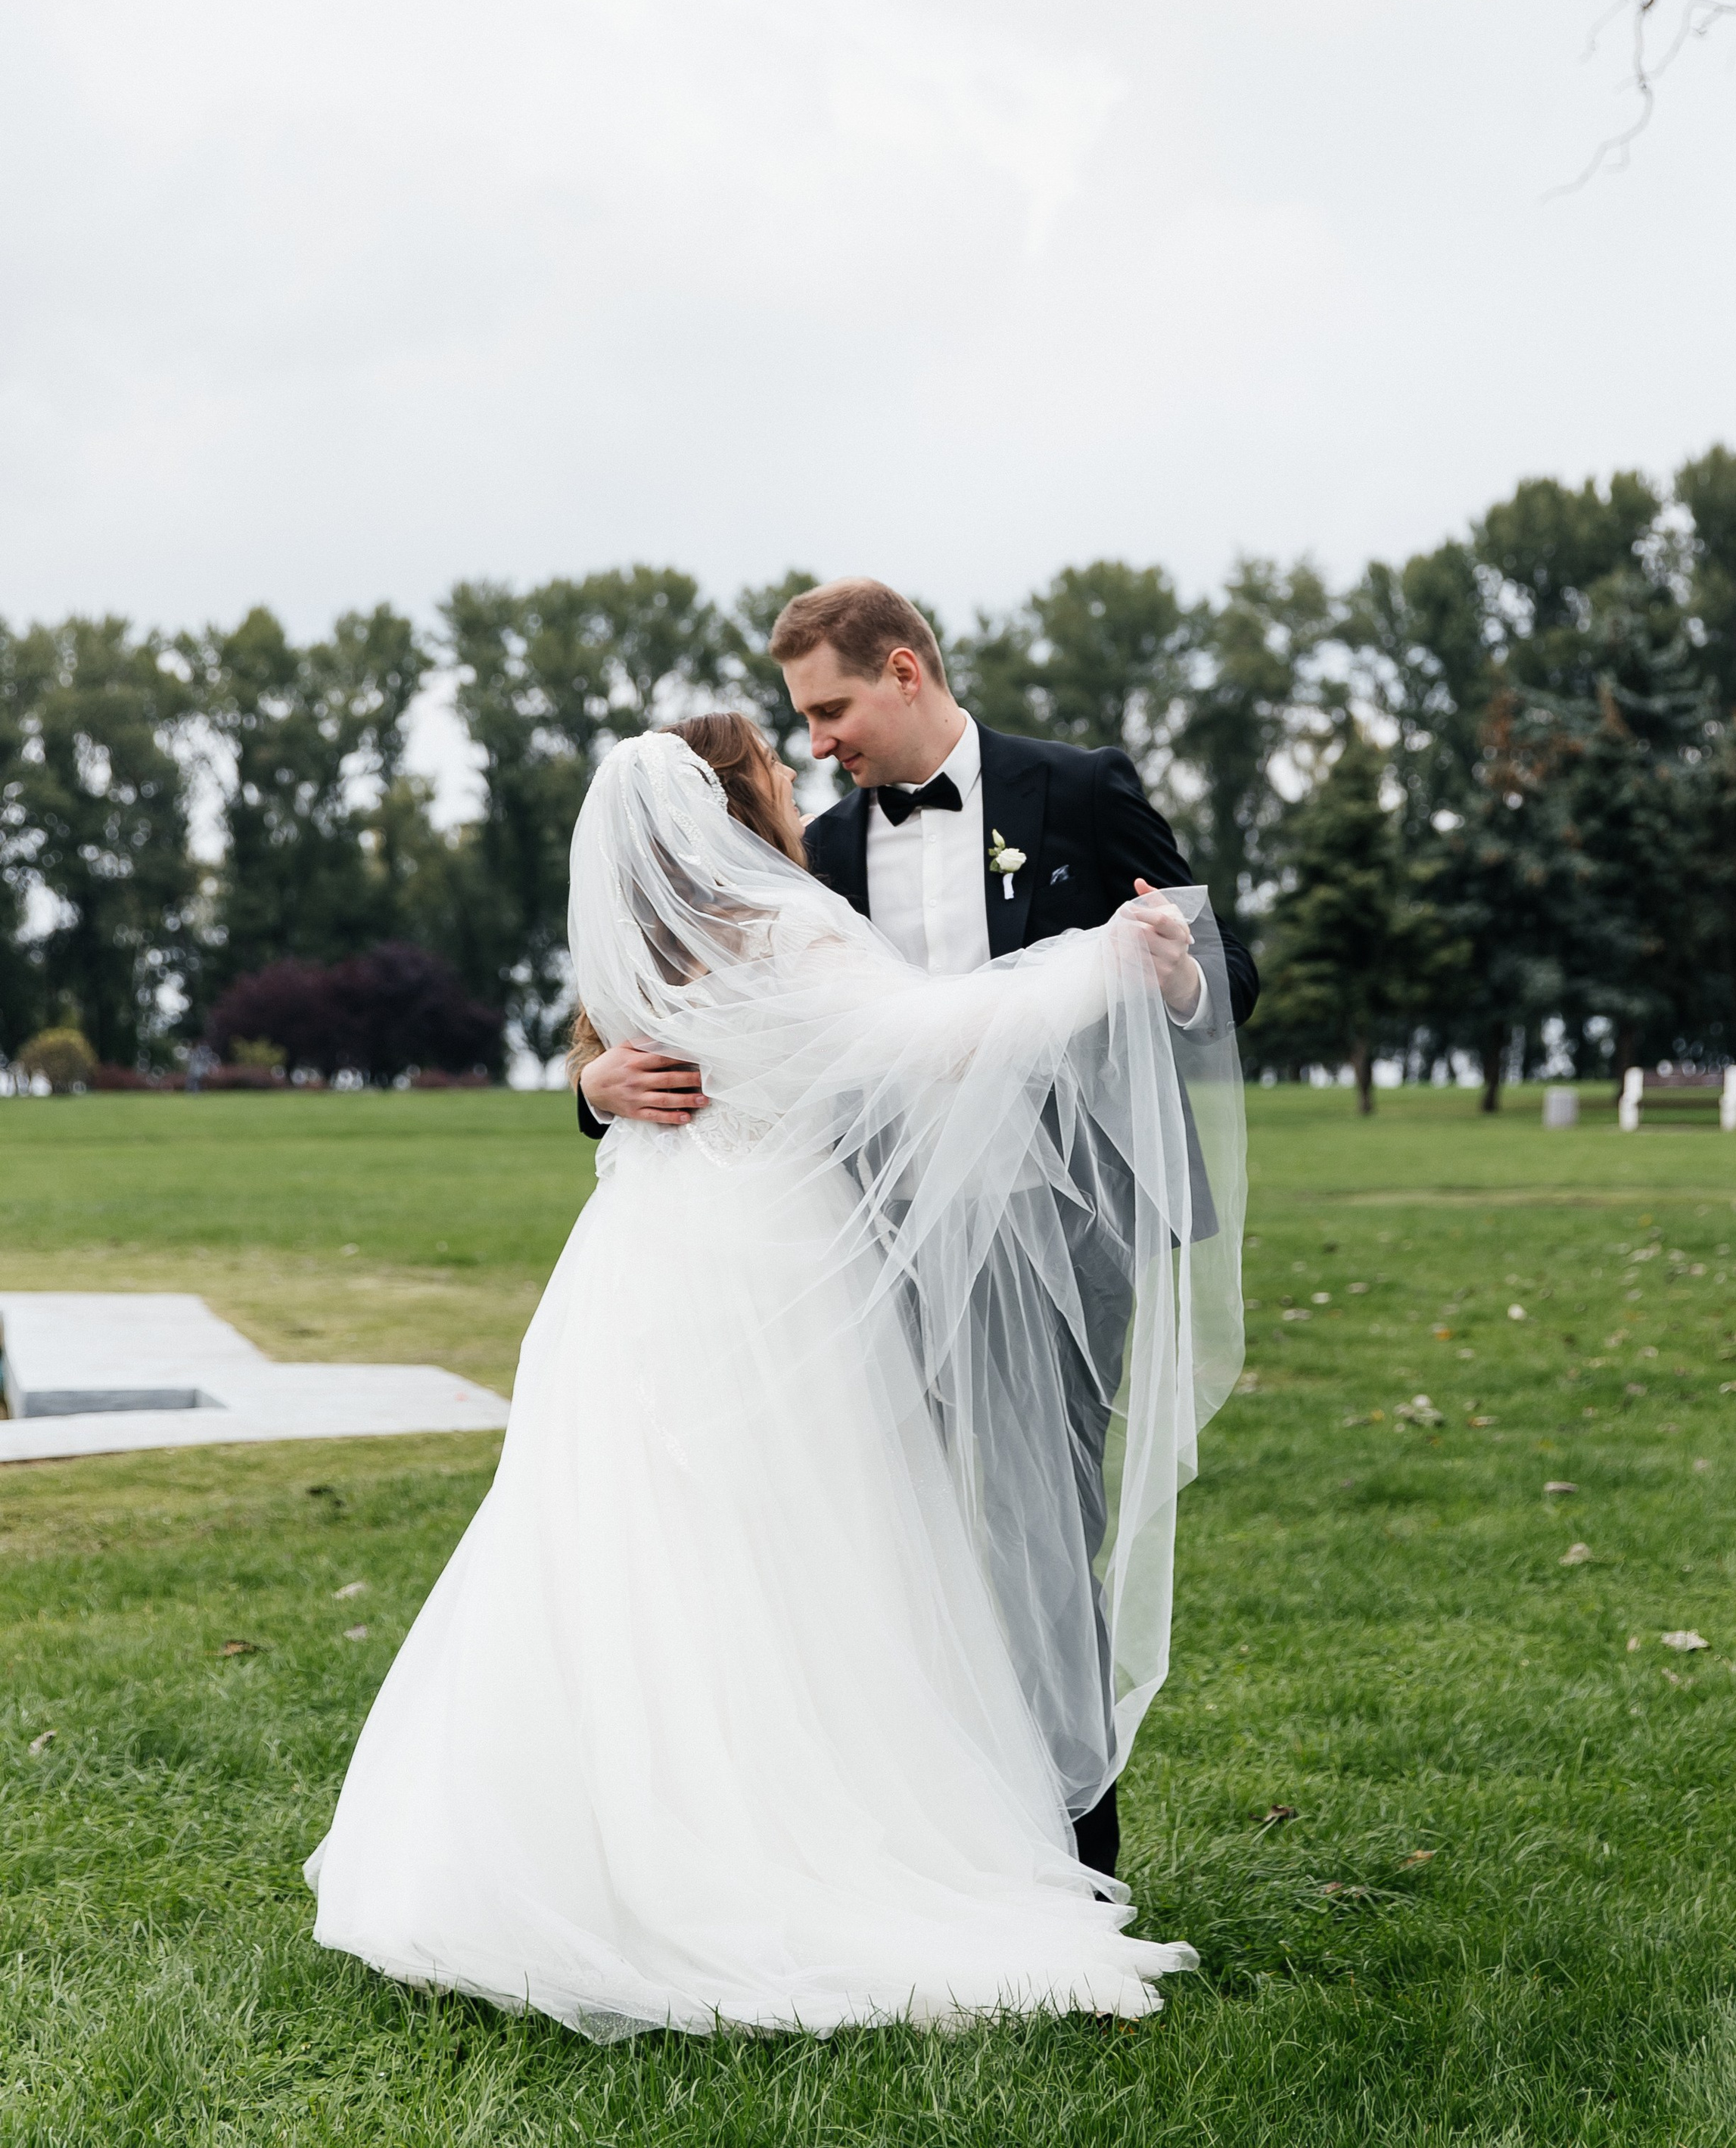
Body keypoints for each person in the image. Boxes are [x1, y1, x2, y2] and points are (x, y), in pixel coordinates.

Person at [308, 712, 1246, 2036]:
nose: (813, 775)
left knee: (634, 1551)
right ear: (742, 802)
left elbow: (633, 1044)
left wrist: (590, 1074)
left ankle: (595, 1852)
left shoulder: (642, 935)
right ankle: (801, 1850)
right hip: (779, 1261)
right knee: (820, 1549)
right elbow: (929, 1036)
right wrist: (1103, 962)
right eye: (783, 764)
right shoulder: (788, 919)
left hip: (643, 1264)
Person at [577, 578, 1259, 1879]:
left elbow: (1227, 967)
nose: (821, 743)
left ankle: (1075, 1851)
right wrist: (591, 1088)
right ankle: (926, 1828)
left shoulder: (1080, 787)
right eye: (803, 726)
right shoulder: (811, 858)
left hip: (1065, 1224)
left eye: (831, 709)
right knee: (894, 1534)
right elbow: (707, 1016)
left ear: (903, 671)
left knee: (1045, 1519)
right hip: (866, 1244)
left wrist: (1171, 971)